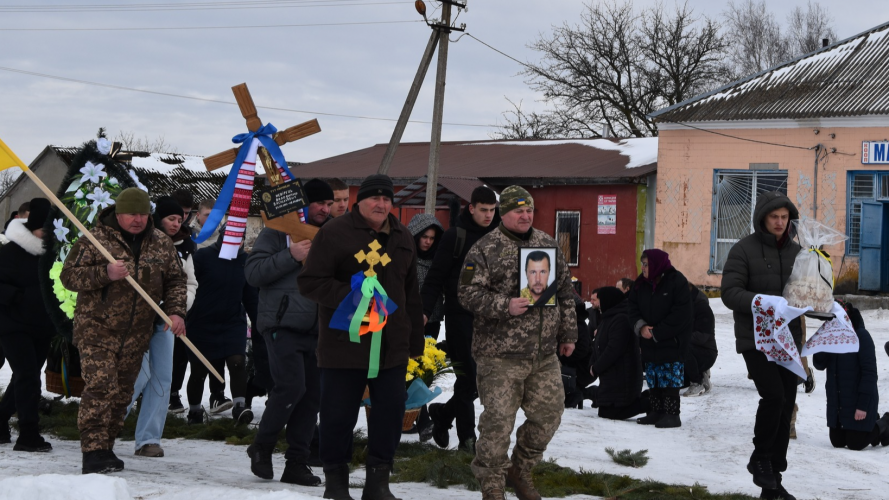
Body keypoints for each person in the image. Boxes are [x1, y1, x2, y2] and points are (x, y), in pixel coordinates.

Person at [298, 174, 425, 500]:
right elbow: (310, 282)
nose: (381, 205)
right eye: (374, 199)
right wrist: (355, 295)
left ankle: (377, 483)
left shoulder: (402, 236)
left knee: (390, 415)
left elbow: (411, 295)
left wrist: (415, 341)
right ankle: (336, 484)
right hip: (345, 346)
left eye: (387, 200)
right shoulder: (335, 233)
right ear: (359, 201)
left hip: (391, 347)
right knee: (338, 416)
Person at [458, 185, 577, 500]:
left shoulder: (546, 244)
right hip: (499, 356)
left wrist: (569, 334)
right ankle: (492, 483)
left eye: (529, 210)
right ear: (503, 213)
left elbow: (564, 292)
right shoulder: (485, 248)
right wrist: (504, 305)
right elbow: (466, 293)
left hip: (543, 355)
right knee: (497, 423)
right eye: (518, 211)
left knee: (549, 414)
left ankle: (519, 470)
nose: (525, 216)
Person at [60, 188, 187, 474]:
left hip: (137, 332)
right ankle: (92, 452)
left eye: (143, 214)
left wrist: (176, 311)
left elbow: (177, 280)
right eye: (131, 214)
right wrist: (105, 273)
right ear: (118, 214)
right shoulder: (95, 240)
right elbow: (69, 276)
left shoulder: (161, 243)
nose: (138, 220)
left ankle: (105, 447)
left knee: (122, 393)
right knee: (101, 386)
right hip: (97, 329)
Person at [244, 178, 333, 486]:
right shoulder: (277, 231)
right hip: (282, 325)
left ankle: (296, 462)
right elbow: (253, 273)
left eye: (329, 203)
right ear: (304, 204)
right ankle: (262, 447)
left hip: (318, 328)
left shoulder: (331, 234)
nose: (325, 208)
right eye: (319, 202)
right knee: (291, 387)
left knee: (311, 398)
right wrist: (290, 255)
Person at [721, 191, 802, 499]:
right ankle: (759, 458)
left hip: (788, 339)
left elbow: (806, 293)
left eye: (784, 217)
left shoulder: (798, 253)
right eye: (774, 217)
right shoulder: (743, 250)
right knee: (774, 395)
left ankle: (774, 480)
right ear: (762, 219)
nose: (780, 222)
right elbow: (730, 292)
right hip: (755, 339)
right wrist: (761, 302)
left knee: (786, 406)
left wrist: (824, 302)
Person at [422, 186, 499, 452]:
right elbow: (436, 276)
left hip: (491, 318)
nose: (489, 215)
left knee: (480, 381)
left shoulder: (501, 237)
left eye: (492, 210)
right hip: (459, 317)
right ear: (472, 208)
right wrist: (423, 310)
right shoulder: (456, 236)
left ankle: (443, 414)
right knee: (468, 376)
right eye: (484, 210)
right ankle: (468, 440)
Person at [126, 197, 198, 457]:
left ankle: (149, 438)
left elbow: (188, 284)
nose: (176, 224)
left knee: (161, 377)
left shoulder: (186, 248)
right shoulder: (141, 241)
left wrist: (176, 310)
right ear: (157, 218)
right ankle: (107, 422)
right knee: (138, 374)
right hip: (135, 320)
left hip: (164, 323)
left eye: (180, 220)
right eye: (171, 219)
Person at [185, 229, 259, 425]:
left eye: (240, 238)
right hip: (201, 321)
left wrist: (260, 323)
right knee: (199, 369)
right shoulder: (203, 257)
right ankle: (194, 411)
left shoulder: (245, 261)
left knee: (237, 362)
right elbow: (188, 285)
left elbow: (250, 297)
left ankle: (240, 407)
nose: (236, 242)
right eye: (231, 237)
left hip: (232, 322)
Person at [0, 198, 54, 451]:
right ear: (32, 226)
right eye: (43, 228)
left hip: (43, 325)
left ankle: (0, 420)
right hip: (12, 324)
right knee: (29, 377)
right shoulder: (9, 252)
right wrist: (17, 297)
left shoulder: (54, 255)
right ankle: (28, 435)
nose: (47, 234)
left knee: (25, 377)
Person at [628, 249, 693, 429]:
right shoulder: (641, 283)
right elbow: (631, 307)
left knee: (669, 377)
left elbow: (682, 313)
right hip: (648, 340)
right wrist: (641, 327)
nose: (643, 267)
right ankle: (656, 412)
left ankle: (672, 415)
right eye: (642, 264)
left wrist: (657, 332)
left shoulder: (676, 281)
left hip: (671, 341)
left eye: (646, 264)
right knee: (653, 376)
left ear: (657, 264)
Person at [813, 304, 889, 451]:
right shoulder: (833, 336)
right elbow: (819, 364)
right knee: (837, 442)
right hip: (840, 405)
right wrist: (823, 338)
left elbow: (870, 374)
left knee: (856, 443)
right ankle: (871, 422)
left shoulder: (862, 336)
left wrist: (862, 406)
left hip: (859, 402)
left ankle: (885, 423)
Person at [406, 213, 444, 442]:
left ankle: (420, 418)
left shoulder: (438, 261)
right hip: (406, 320)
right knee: (408, 369)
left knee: (423, 370)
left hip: (432, 320)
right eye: (424, 237)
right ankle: (420, 419)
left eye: (432, 237)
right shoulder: (405, 257)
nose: (428, 241)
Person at [589, 286, 648, 421]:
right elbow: (598, 344)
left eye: (600, 300)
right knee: (605, 411)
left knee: (611, 413)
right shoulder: (608, 318)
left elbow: (613, 349)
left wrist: (597, 367)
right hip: (612, 379)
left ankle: (650, 403)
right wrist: (592, 363)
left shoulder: (621, 319)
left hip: (623, 379)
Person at [682, 284, 717, 397]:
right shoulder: (684, 308)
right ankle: (701, 376)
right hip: (693, 352)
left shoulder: (703, 309)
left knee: (683, 347)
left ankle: (696, 383)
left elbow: (702, 337)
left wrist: (679, 337)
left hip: (706, 353)